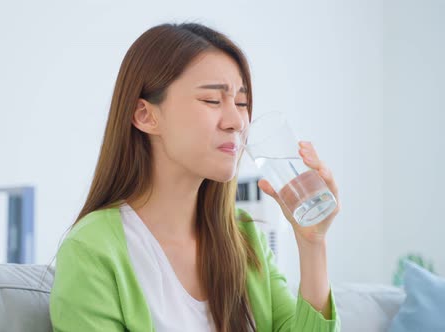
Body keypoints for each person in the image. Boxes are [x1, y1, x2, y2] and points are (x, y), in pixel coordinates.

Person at [49, 22, 341, 332]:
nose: (236, 122)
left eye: (241, 103)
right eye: (212, 101)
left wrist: (312, 243)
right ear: (145, 116)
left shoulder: (245, 240)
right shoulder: (92, 250)